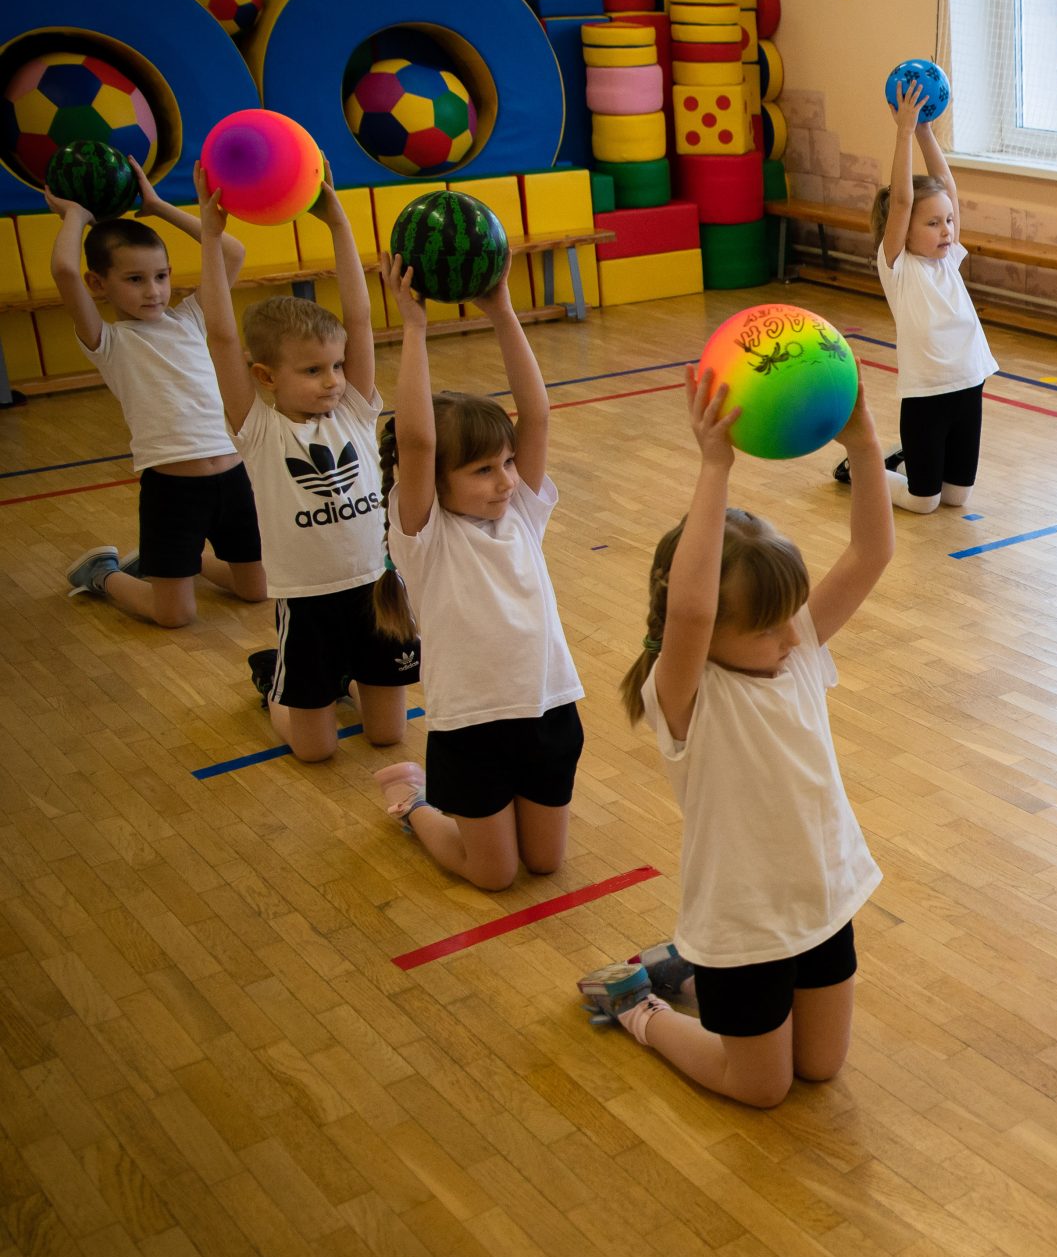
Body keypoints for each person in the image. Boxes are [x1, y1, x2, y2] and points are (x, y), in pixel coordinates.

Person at [580, 367, 894, 1109]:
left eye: (792, 613)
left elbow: (872, 552)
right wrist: (714, 465)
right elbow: (688, 611)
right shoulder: (686, 693)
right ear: (709, 634)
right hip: (743, 922)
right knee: (761, 1089)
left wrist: (868, 440)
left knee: (820, 1069)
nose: (794, 633)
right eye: (766, 623)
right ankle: (642, 1007)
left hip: (821, 900)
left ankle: (682, 973)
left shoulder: (798, 650)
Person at [369, 258, 584, 891]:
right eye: (484, 470)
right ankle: (415, 804)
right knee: (494, 874)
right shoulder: (423, 536)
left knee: (545, 864)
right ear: (435, 483)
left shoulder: (521, 512)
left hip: (548, 713)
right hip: (471, 728)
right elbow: (416, 441)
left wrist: (501, 308)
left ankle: (469, 812)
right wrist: (413, 328)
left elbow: (536, 413)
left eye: (509, 463)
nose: (507, 480)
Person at [199, 164, 416, 763]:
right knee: (314, 752)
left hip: (376, 589)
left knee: (388, 736)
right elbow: (221, 338)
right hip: (308, 600)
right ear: (266, 377)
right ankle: (276, 681)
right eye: (314, 370)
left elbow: (361, 318)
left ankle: (337, 679)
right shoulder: (258, 429)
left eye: (337, 367)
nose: (333, 381)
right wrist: (211, 238)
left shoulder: (352, 410)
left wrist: (338, 222)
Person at [52, 162, 266, 627]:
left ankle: (161, 563)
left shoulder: (190, 317)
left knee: (258, 590)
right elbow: (66, 270)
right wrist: (75, 215)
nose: (154, 291)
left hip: (232, 478)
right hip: (172, 490)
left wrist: (158, 206)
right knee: (175, 616)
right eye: (135, 280)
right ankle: (103, 574)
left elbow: (230, 251)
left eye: (162, 276)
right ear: (99, 284)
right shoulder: (108, 341)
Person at [836, 72, 999, 513]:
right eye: (934, 223)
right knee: (923, 503)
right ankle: (860, 470)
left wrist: (926, 129)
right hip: (925, 396)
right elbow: (905, 200)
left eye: (948, 221)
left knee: (956, 497)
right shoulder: (899, 266)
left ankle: (908, 460)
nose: (947, 229)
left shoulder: (947, 258)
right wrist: (905, 131)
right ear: (902, 231)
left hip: (968, 384)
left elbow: (946, 184)